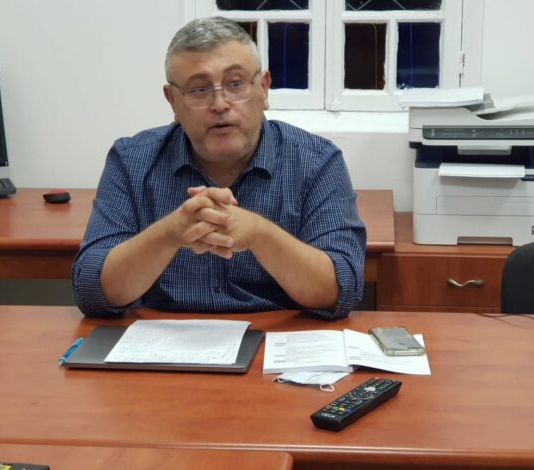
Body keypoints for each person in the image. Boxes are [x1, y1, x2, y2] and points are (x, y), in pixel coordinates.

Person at [72, 16, 366, 319]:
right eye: (199, 89)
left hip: (276, 337)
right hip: (163, 339)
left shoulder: (316, 161)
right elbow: (90, 290)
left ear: (264, 89)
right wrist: (169, 233)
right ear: (173, 101)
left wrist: (260, 234)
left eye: (235, 84)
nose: (220, 104)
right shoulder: (131, 160)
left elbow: (342, 289)